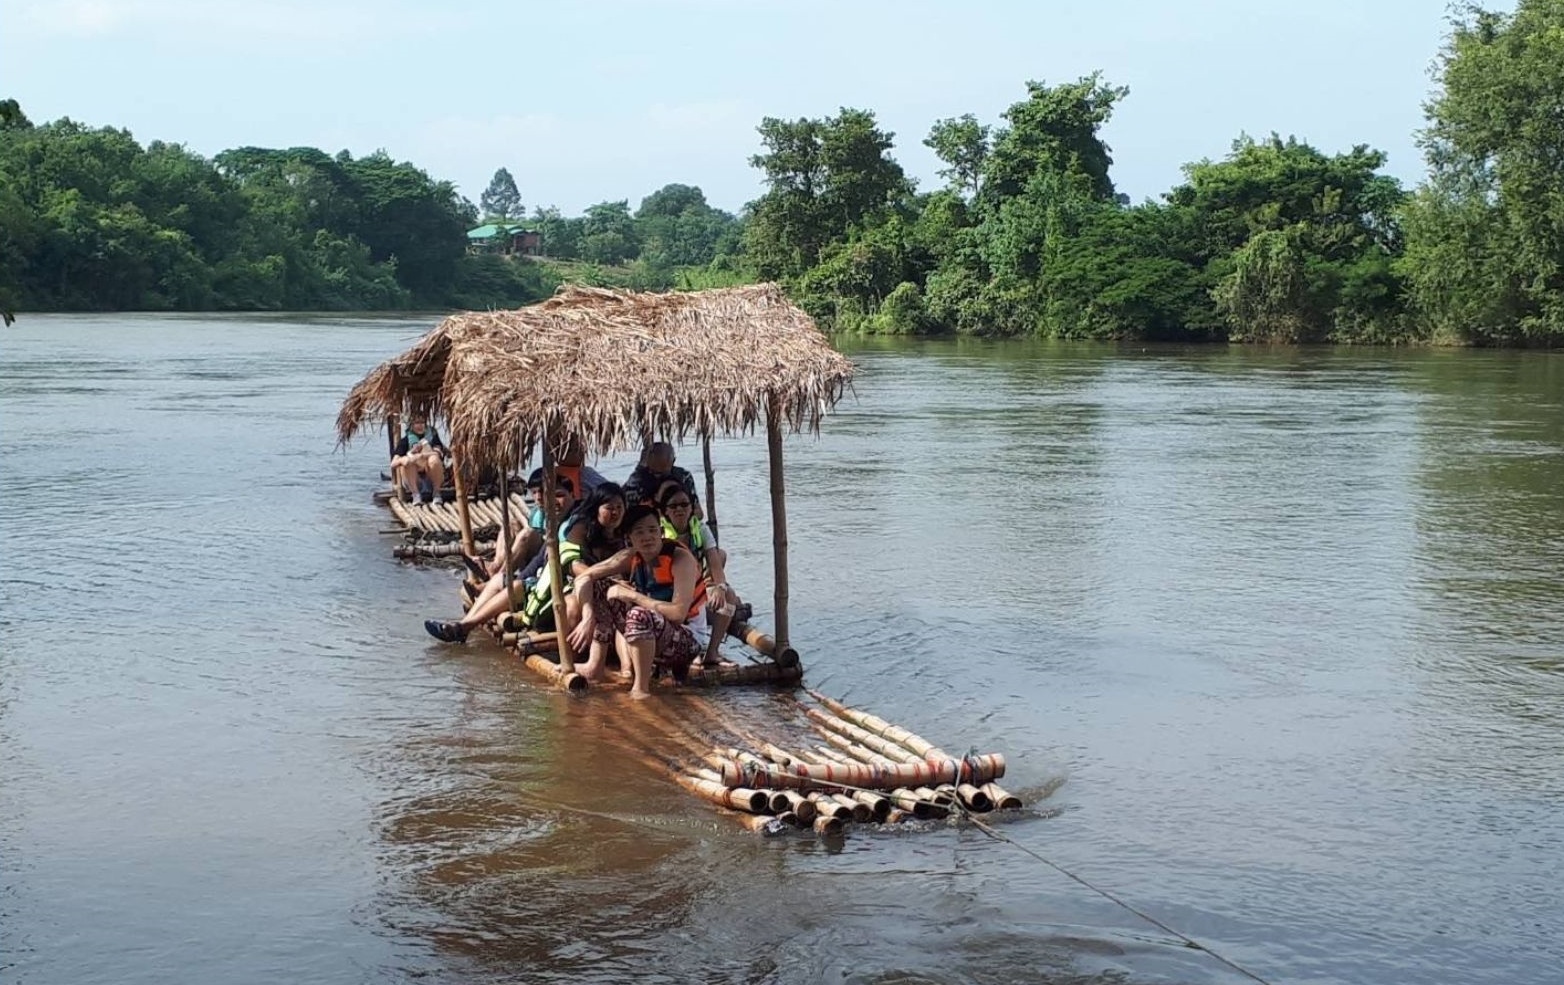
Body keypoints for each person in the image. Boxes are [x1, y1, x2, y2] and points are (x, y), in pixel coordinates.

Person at [425, 483, 626, 644]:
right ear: (596, 509)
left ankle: (466, 622)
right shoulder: (580, 528)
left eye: (619, 507)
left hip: (592, 588)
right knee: (516, 584)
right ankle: (465, 626)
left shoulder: (625, 533)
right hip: (568, 584)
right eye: (610, 508)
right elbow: (572, 564)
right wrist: (606, 575)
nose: (616, 513)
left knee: (513, 583)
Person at [568, 504, 705, 697]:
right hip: (653, 628)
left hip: (687, 640)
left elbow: (678, 614)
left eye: (652, 530)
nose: (647, 537)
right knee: (600, 588)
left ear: (661, 531)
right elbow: (584, 578)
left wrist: (633, 596)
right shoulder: (630, 556)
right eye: (639, 532)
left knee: (637, 614)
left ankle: (641, 688)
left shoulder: (680, 559)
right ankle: (595, 666)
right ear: (629, 538)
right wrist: (587, 617)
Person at [656, 481, 741, 670]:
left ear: (692, 507)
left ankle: (712, 652)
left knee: (729, 597)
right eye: (673, 506)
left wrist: (720, 587)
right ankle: (688, 651)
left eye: (684, 504)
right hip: (669, 590)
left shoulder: (701, 529)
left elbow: (714, 560)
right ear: (665, 512)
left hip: (698, 587)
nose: (680, 509)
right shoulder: (659, 532)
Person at [623, 441, 700, 515]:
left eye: (663, 473)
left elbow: (698, 513)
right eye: (654, 472)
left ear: (673, 461)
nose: (658, 477)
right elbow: (625, 512)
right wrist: (641, 508)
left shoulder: (684, 477)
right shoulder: (636, 480)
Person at [391, 413, 446, 503]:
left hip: (431, 478)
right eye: (417, 423)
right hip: (414, 481)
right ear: (411, 425)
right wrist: (404, 459)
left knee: (434, 459)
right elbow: (393, 463)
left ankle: (436, 493)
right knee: (408, 462)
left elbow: (438, 453)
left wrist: (421, 455)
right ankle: (416, 495)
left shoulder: (433, 437)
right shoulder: (405, 441)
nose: (420, 425)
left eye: (422, 422)